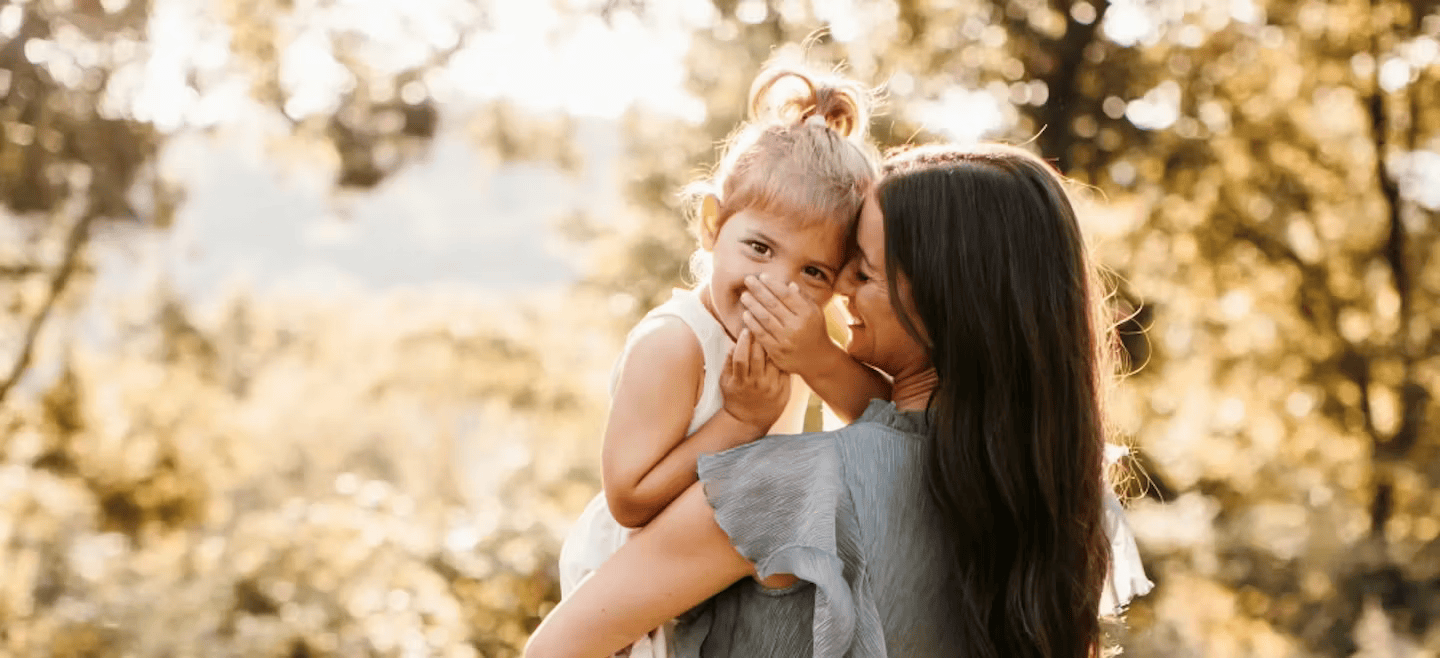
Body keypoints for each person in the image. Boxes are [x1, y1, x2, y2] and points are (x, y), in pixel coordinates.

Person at [527, 143, 1152, 658]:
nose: (837, 291)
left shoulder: (795, 488)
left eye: (860, 270)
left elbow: (554, 651)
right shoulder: (1061, 497)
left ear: (946, 303)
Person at [554, 61, 891, 657]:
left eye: (811, 272)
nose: (774, 284)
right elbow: (628, 501)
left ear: (838, 282)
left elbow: (890, 420)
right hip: (628, 607)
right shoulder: (675, 344)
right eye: (759, 247)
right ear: (713, 224)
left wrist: (817, 358)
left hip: (715, 589)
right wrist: (740, 421)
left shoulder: (798, 343)